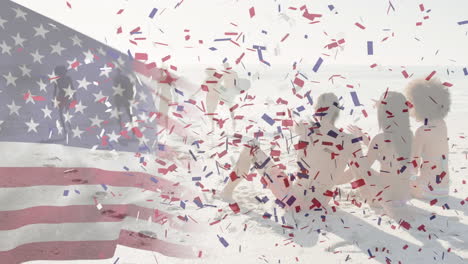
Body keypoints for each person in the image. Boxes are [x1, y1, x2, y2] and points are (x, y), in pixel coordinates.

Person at [220, 93, 372, 213]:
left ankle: (226, 192)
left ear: (317, 110)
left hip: (293, 199)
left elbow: (291, 123)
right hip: (322, 202)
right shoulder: (351, 140)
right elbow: (355, 174)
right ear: (336, 112)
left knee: (251, 148)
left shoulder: (305, 128)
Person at [348, 91, 413, 217]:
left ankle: (333, 182)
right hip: (403, 198)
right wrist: (364, 139)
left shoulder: (379, 138)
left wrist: (355, 147)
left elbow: (364, 166)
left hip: (382, 200)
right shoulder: (409, 135)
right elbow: (387, 156)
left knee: (354, 162)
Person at [405, 78, 451, 199]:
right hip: (444, 188)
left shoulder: (422, 131)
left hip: (427, 190)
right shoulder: (442, 124)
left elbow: (414, 163)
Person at [53, 65, 74, 137]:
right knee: (65, 113)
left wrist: (54, 100)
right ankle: (67, 128)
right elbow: (72, 88)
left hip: (63, 96)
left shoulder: (58, 80)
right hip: (64, 96)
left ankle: (66, 128)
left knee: (63, 113)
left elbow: (55, 91)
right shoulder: (67, 78)